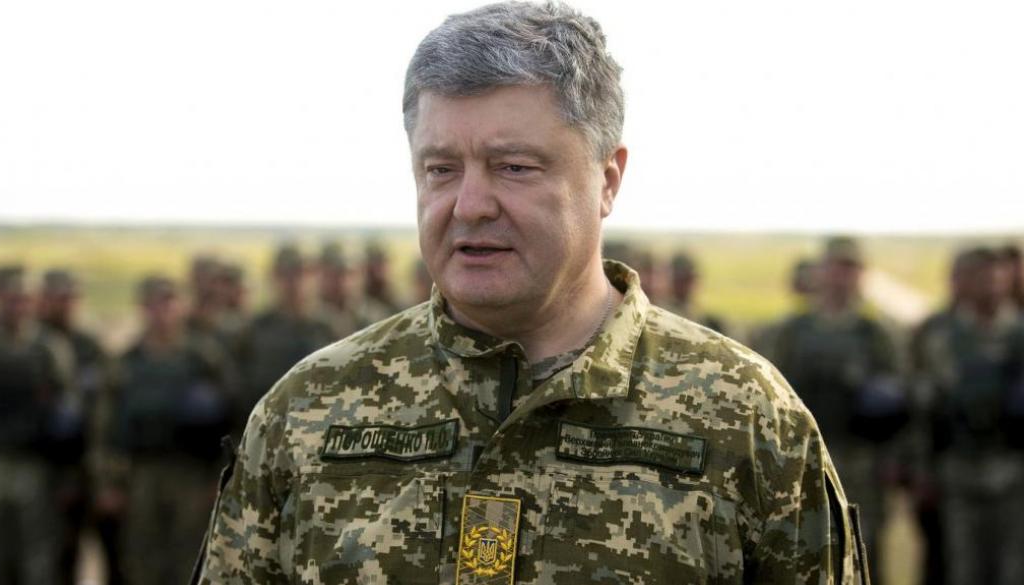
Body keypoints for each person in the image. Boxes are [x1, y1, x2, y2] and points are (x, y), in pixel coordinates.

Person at [194, 3, 868, 584]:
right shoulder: (307, 411)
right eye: (441, 169)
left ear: (608, 179)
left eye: (513, 167)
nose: (470, 205)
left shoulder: (747, 418)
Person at [771, 236, 907, 581]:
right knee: (803, 554)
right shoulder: (791, 333)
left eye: (852, 268)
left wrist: (895, 461)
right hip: (803, 464)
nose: (843, 277)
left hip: (862, 462)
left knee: (865, 553)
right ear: (820, 272)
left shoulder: (875, 335)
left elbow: (899, 406)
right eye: (837, 267)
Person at [96, 275, 233, 585]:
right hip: (141, 473)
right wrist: (108, 482)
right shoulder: (126, 362)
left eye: (169, 303)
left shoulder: (203, 357)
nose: (162, 312)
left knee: (189, 557)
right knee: (142, 557)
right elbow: (106, 427)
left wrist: (220, 478)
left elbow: (230, 418)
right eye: (154, 304)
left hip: (190, 473)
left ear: (182, 307)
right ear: (143, 308)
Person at [911, 247, 1024, 585]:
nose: (992, 285)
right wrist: (922, 469)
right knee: (964, 566)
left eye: (998, 277)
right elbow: (923, 409)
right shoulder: (939, 336)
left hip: (1013, 468)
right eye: (982, 277)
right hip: (958, 468)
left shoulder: (1017, 334)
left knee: (1013, 568)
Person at [0, 265, 65, 584]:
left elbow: (66, 410)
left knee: (37, 554)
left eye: (23, 299)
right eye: (10, 298)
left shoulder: (47, 349)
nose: (17, 305)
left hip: (35, 464)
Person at [37, 268, 111, 585]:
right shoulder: (35, 344)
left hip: (92, 464)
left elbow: (108, 403)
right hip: (49, 468)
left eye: (70, 297)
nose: (65, 304)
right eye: (57, 297)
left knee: (113, 551)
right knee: (57, 554)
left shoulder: (89, 345)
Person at [233, 244, 333, 432]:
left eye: (302, 274)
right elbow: (240, 388)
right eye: (286, 274)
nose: (295, 282)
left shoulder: (329, 327)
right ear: (274, 277)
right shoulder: (255, 329)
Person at [666, 251, 727, 334]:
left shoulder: (711, 322)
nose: (687, 285)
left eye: (689, 279)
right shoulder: (665, 316)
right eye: (682, 280)